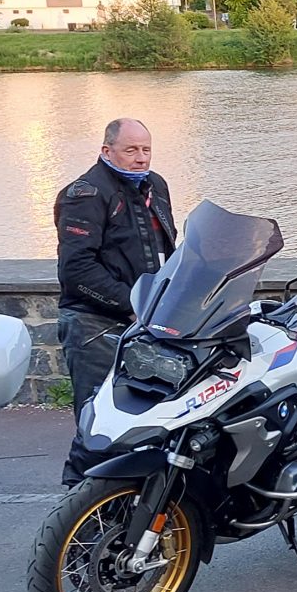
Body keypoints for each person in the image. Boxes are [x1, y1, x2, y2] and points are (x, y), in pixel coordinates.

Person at [55, 118, 177, 485]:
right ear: (107, 150)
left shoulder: (155, 186)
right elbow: (76, 269)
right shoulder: (85, 194)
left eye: (146, 149)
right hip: (92, 322)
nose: (141, 158)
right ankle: (79, 501)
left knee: (150, 414)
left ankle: (140, 498)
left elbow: (165, 252)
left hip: (148, 319)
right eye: (131, 150)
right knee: (98, 419)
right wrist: (131, 303)